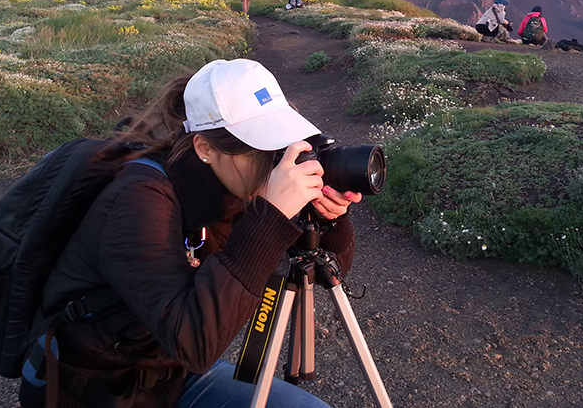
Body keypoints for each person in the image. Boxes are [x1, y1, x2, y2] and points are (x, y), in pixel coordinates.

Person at [18, 58, 361, 408]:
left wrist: (328, 219)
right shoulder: (138, 200)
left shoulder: (238, 186)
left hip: (172, 374)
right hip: (91, 387)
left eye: (280, 143)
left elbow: (328, 270)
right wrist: (270, 218)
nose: (273, 160)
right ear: (205, 149)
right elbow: (197, 343)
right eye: (258, 147)